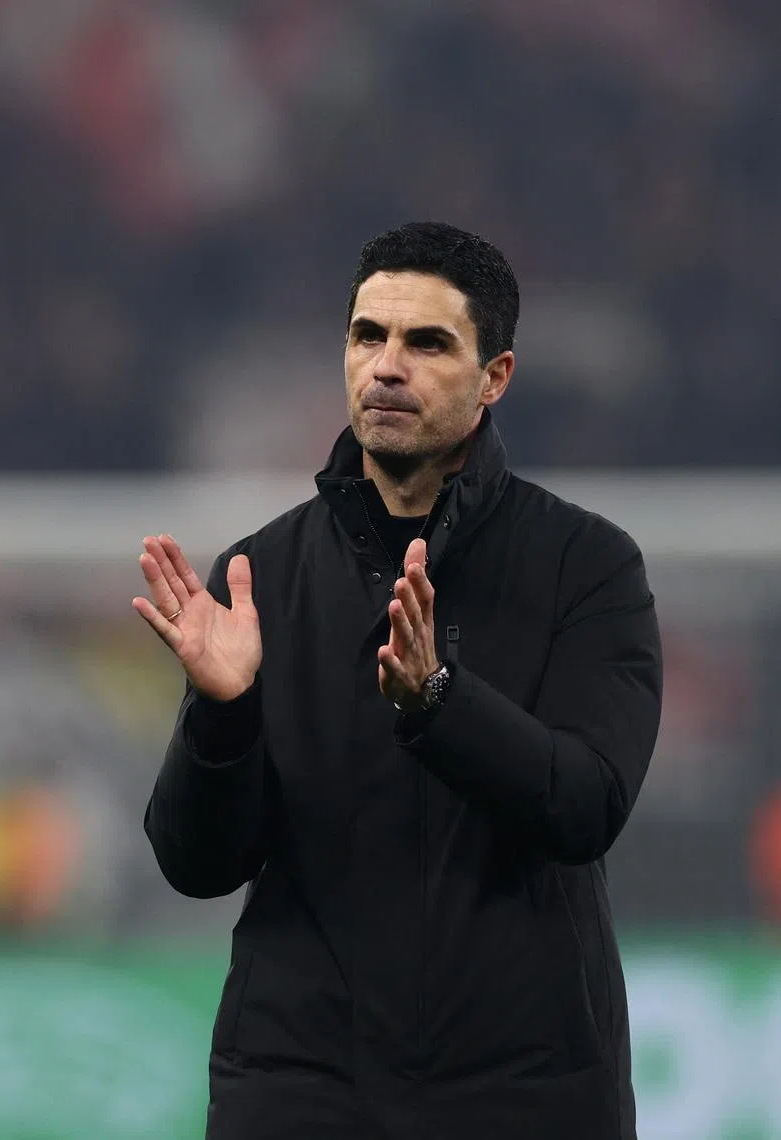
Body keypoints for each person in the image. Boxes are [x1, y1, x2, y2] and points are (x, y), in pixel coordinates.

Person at [133, 222, 662, 1140]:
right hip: (303, 1089)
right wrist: (223, 716)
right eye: (367, 335)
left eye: (427, 343)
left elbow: (586, 805)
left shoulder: (587, 567)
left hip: (523, 1092)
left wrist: (439, 705)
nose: (386, 366)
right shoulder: (261, 576)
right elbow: (196, 866)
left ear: (494, 377)